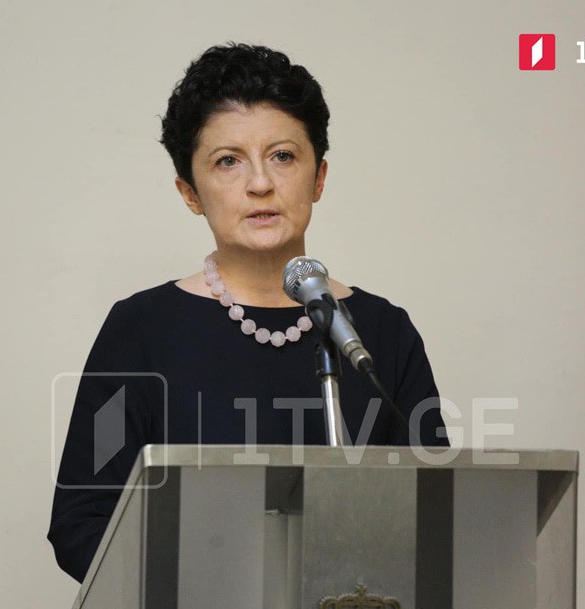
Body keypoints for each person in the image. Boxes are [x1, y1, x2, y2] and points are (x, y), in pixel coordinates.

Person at [47, 43, 449, 583]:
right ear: (190, 192)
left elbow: (436, 511)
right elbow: (83, 521)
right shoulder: (139, 330)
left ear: (319, 177)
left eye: (282, 156)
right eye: (228, 161)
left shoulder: (380, 332)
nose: (260, 183)